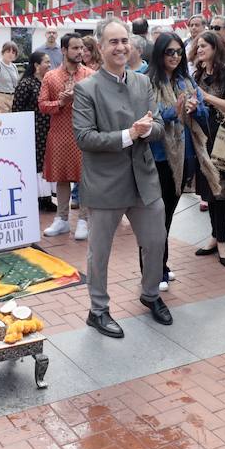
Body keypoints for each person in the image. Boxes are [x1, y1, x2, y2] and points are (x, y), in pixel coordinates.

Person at [73, 17, 169, 338]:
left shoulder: (143, 83)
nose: (121, 47)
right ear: (99, 48)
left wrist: (148, 130)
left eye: (124, 41)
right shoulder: (86, 89)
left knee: (156, 241)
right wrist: (129, 134)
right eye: (113, 42)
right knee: (99, 252)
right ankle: (97, 310)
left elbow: (158, 129)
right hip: (104, 183)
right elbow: (85, 138)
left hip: (144, 180)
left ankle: (150, 293)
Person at [147, 32, 204, 290]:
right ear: (159, 54)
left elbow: (202, 109)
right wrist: (175, 111)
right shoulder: (147, 82)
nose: (175, 56)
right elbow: (151, 117)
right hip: (158, 158)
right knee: (155, 220)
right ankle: (153, 271)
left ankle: (162, 265)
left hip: (182, 158)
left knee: (167, 217)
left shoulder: (184, 81)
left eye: (179, 52)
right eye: (170, 52)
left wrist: (194, 108)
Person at [191, 30, 225, 266]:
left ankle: (222, 241)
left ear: (216, 47)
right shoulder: (198, 74)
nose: (199, 49)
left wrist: (204, 97)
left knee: (221, 193)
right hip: (202, 138)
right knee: (209, 193)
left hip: (223, 142)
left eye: (204, 46)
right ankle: (214, 236)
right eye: (198, 46)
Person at [40, 34, 92, 240]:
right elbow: (43, 105)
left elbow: (98, 104)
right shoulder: (50, 77)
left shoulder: (91, 75)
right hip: (59, 134)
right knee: (61, 178)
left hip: (84, 134)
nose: (80, 52)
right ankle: (61, 220)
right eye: (75, 48)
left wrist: (76, 98)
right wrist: (60, 103)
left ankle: (83, 220)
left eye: (81, 48)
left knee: (85, 178)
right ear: (63, 50)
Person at [11, 50, 51, 179]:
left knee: (46, 162)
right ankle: (36, 196)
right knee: (35, 163)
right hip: (32, 131)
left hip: (47, 130)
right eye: (47, 62)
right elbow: (16, 110)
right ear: (36, 65)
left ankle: (46, 196)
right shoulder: (26, 84)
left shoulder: (47, 82)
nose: (50, 65)